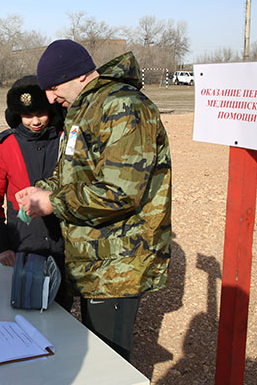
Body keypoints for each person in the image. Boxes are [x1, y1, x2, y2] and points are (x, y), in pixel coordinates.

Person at [16, 39, 172, 362]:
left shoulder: (123, 107)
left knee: (108, 364)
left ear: (79, 75)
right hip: (95, 260)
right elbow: (75, 174)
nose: (49, 98)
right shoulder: (87, 108)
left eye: (54, 86)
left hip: (117, 265)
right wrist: (40, 190)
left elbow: (119, 193)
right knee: (95, 359)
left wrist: (52, 202)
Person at [0, 76, 71, 308]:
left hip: (66, 240)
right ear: (16, 115)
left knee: (63, 306)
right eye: (27, 116)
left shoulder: (67, 139)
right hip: (25, 242)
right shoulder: (2, 146)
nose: (35, 121)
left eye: (41, 113)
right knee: (28, 302)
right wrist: (0, 246)